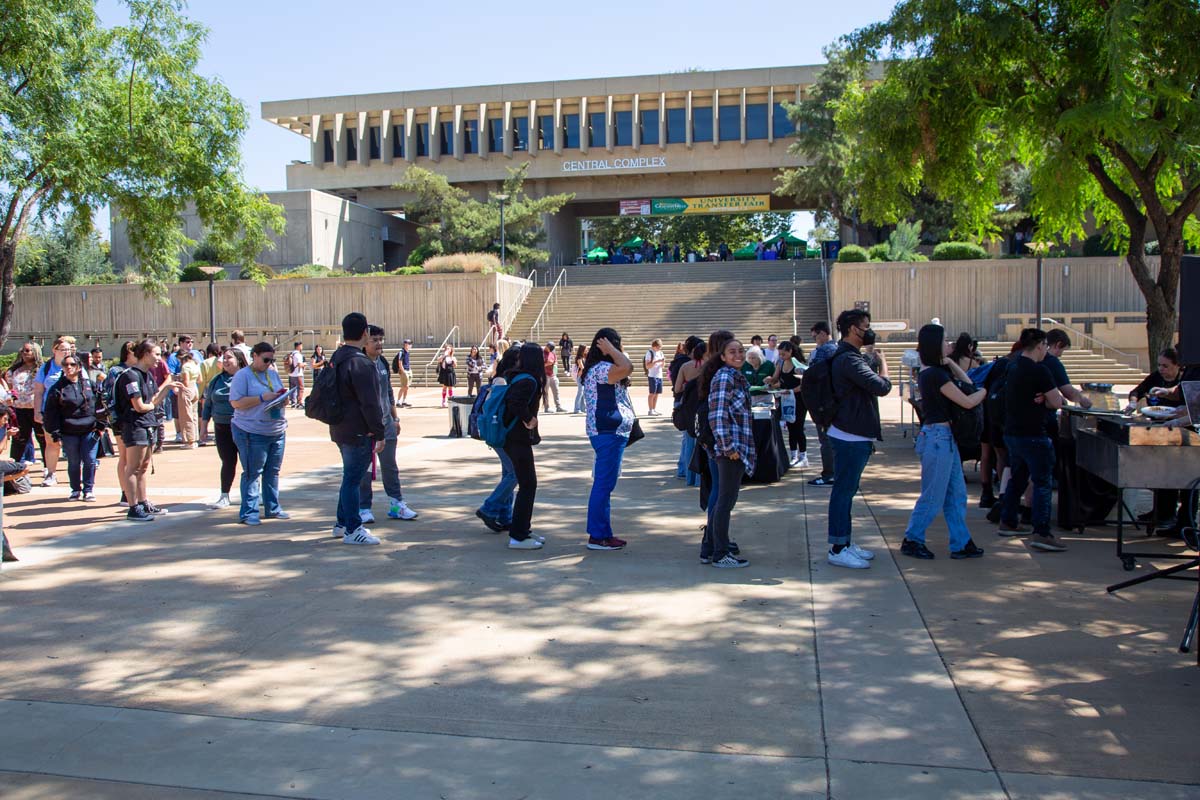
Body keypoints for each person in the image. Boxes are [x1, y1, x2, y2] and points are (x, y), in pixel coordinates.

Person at [899, 324, 988, 560]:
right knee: (934, 495)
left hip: (944, 439)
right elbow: (969, 399)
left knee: (956, 495)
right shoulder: (933, 375)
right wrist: (985, 392)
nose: (949, 344)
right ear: (934, 344)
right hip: (938, 439)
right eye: (944, 340)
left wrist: (951, 363)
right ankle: (913, 538)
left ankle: (961, 542)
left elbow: (967, 384)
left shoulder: (936, 372)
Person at [826, 309, 892, 569]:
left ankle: (844, 542)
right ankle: (838, 547)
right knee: (843, 492)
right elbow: (883, 387)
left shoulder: (850, 356)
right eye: (866, 326)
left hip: (851, 433)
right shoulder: (849, 360)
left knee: (847, 491)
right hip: (849, 436)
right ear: (854, 329)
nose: (869, 330)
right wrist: (883, 361)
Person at [995, 328, 1067, 552]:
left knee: (1018, 477)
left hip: (1012, 432)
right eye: (1045, 345)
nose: (1046, 350)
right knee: (1042, 483)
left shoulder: (1012, 366)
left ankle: (1008, 520)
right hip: (1034, 434)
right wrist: (1047, 398)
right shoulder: (1040, 370)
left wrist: (1043, 397)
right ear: (1039, 345)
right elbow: (1057, 402)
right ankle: (1041, 531)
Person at [329, 313, 388, 545]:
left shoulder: (338, 357)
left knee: (349, 478)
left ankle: (342, 523)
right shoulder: (360, 362)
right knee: (353, 479)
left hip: (340, 427)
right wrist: (380, 432)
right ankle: (352, 528)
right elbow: (370, 402)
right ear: (365, 332)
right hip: (359, 430)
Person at [700, 335, 754, 568]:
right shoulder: (724, 377)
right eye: (732, 352)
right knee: (724, 501)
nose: (738, 355)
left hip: (736, 447)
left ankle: (712, 547)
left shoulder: (735, 376)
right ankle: (720, 553)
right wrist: (728, 447)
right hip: (730, 450)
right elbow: (718, 415)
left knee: (724, 500)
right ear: (722, 356)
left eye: (741, 351)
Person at [356, 325, 419, 524]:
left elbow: (388, 392)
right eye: (374, 340)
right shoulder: (359, 364)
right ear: (365, 341)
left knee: (390, 466)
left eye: (381, 339)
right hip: (365, 426)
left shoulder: (382, 362)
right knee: (365, 468)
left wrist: (395, 418)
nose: (379, 343)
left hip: (386, 423)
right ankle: (363, 507)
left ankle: (396, 504)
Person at [580, 329, 636, 551]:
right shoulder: (603, 369)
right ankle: (598, 535)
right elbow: (627, 367)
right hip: (608, 432)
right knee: (603, 484)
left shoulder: (597, 369)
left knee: (605, 483)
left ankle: (601, 532)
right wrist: (613, 350)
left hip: (608, 431)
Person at [116, 339, 182, 522]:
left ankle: (143, 501)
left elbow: (152, 400)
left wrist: (167, 388)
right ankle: (133, 506)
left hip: (148, 424)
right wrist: (151, 405)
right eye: (157, 354)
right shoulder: (131, 376)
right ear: (145, 354)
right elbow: (139, 406)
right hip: (134, 425)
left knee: (144, 466)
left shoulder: (148, 375)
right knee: (133, 467)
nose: (159, 359)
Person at [228, 343, 289, 526]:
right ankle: (249, 512)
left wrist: (282, 399)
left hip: (276, 429)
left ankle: (273, 507)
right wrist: (262, 398)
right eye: (265, 359)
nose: (268, 363)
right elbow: (236, 403)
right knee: (253, 472)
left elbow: (277, 393)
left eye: (272, 360)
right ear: (254, 356)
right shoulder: (243, 376)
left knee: (273, 471)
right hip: (251, 431)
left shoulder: (272, 374)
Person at [1127, 348, 1184, 527]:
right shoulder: (1155, 378)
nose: (1162, 369)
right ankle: (1160, 510)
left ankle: (1175, 516)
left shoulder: (1184, 380)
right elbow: (1138, 390)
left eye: (1166, 366)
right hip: (1158, 429)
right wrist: (1133, 402)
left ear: (1177, 366)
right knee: (1159, 471)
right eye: (1159, 365)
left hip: (1181, 430)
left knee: (1177, 473)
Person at [503, 343, 547, 549]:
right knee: (528, 485)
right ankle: (518, 536)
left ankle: (522, 529)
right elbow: (515, 402)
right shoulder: (528, 381)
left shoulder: (520, 377)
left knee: (527, 484)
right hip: (516, 438)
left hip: (514, 438)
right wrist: (529, 419)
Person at [43, 353, 103, 502]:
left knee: (90, 460)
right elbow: (51, 413)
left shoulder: (90, 385)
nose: (68, 367)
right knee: (74, 462)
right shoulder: (57, 388)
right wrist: (55, 432)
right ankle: (75, 489)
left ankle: (88, 489)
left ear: (79, 367)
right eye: (65, 365)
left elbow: (100, 405)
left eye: (72, 364)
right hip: (69, 431)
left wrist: (102, 425)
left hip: (90, 429)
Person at [476, 347, 522, 534]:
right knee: (515, 474)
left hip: (500, 433)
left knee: (508, 474)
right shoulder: (502, 381)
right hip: (500, 433)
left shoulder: (502, 378)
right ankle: (489, 508)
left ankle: (505, 516)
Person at [203, 347, 247, 510]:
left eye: (229, 358)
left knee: (248, 462)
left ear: (239, 360)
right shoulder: (216, 380)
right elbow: (207, 405)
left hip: (243, 426)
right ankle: (224, 495)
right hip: (221, 427)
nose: (225, 361)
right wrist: (203, 427)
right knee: (228, 461)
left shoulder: (246, 378)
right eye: (224, 358)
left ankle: (251, 494)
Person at [33, 335, 73, 485]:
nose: (66, 352)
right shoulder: (46, 367)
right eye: (63, 349)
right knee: (52, 443)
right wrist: (37, 411)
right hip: (50, 411)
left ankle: (76, 475)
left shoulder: (76, 366)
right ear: (54, 350)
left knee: (73, 443)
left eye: (69, 349)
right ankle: (50, 473)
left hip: (71, 411)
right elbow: (38, 391)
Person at [807, 322, 838, 487]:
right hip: (830, 400)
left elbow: (815, 373)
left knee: (826, 440)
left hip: (824, 402)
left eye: (815, 336)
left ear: (823, 334)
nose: (815, 340)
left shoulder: (826, 350)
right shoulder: (834, 349)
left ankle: (829, 474)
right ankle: (832, 472)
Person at [768, 340, 809, 467]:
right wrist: (769, 381)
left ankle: (803, 456)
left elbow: (803, 385)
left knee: (798, 427)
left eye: (783, 354)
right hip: (786, 399)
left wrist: (790, 391)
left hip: (798, 400)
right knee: (790, 427)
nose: (781, 356)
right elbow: (776, 379)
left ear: (790, 351)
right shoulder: (780, 362)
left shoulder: (798, 364)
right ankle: (794, 455)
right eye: (779, 354)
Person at [673, 339, 707, 486]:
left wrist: (689, 385)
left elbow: (677, 389)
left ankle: (689, 477)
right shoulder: (708, 367)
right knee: (702, 442)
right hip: (703, 405)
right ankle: (701, 478)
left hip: (688, 405)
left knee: (689, 442)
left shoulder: (685, 366)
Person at [6, 342, 44, 465]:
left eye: (28, 351)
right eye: (23, 351)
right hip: (20, 409)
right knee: (19, 439)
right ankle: (13, 466)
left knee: (42, 438)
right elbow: (11, 387)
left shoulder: (42, 369)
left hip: (37, 408)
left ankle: (48, 468)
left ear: (35, 352)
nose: (24, 353)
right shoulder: (15, 370)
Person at [197, 343, 222, 444]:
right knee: (217, 414)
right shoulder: (221, 362)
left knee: (204, 415)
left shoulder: (204, 363)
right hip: (219, 387)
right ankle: (217, 436)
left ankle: (203, 437)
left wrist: (199, 394)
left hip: (207, 389)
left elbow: (202, 381)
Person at [176, 350, 201, 448]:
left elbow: (185, 382)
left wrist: (179, 379)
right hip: (195, 388)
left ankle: (189, 440)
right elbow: (200, 380)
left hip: (187, 390)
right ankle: (195, 438)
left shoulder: (185, 366)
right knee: (194, 415)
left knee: (186, 416)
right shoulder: (195, 364)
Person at [641, 338, 665, 416]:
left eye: (660, 347)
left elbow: (663, 366)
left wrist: (663, 363)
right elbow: (647, 366)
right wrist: (656, 362)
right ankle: (650, 410)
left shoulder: (661, 353)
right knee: (652, 393)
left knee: (657, 393)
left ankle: (654, 409)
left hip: (659, 375)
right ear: (654, 346)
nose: (659, 348)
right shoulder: (649, 353)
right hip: (652, 375)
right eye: (658, 347)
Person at [541, 342, 565, 413]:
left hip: (552, 374)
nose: (549, 350)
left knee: (556, 391)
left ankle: (558, 406)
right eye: (548, 348)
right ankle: (546, 407)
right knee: (545, 392)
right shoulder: (542, 353)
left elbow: (555, 361)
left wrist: (554, 363)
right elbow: (539, 365)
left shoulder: (552, 353)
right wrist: (547, 364)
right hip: (545, 375)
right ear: (547, 346)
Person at [286, 342, 306, 409]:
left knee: (292, 389)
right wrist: (305, 364)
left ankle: (293, 403)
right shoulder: (298, 355)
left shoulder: (291, 354)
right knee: (300, 389)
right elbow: (300, 364)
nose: (302, 347)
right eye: (301, 346)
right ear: (298, 346)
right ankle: (299, 403)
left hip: (291, 374)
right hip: (298, 374)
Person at [393, 340, 411, 408]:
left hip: (407, 369)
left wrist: (409, 369)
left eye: (410, 343)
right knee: (403, 386)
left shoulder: (407, 352)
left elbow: (407, 361)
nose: (410, 345)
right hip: (404, 371)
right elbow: (399, 362)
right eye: (409, 343)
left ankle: (404, 401)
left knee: (406, 387)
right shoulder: (401, 352)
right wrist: (403, 371)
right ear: (405, 344)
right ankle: (398, 401)